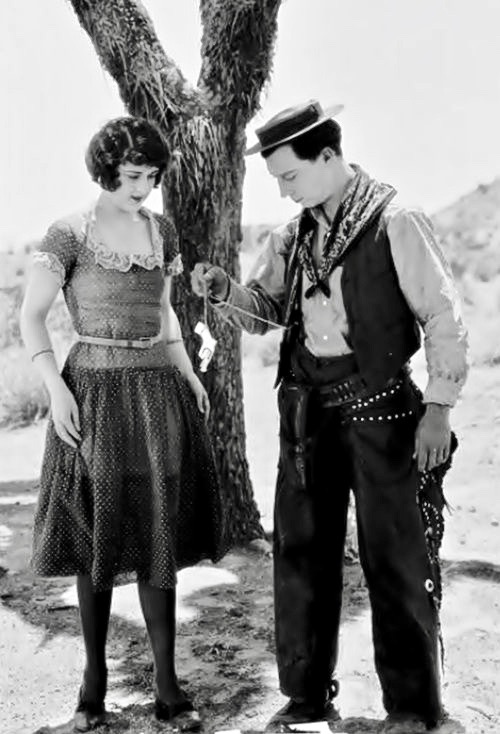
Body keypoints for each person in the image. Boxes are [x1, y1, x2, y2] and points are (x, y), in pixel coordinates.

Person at [191, 100, 468, 733]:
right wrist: (226, 293)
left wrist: (439, 407)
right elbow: (265, 312)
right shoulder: (291, 237)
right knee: (300, 554)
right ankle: (306, 696)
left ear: (327, 156)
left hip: (382, 412)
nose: (284, 191)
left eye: (289, 176)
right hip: (307, 415)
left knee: (395, 556)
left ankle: (412, 707)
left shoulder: (397, 222)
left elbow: (443, 317)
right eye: (277, 181)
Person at [20, 116, 226, 732]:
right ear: (105, 169)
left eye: (153, 176)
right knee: (98, 531)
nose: (144, 188)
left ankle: (167, 685)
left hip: (157, 390)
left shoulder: (161, 230)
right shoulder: (68, 234)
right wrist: (55, 388)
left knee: (158, 527)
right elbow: (32, 317)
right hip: (93, 393)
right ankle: (93, 684)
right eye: (134, 175)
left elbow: (165, 313)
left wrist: (187, 372)